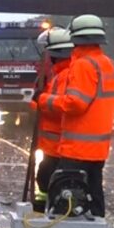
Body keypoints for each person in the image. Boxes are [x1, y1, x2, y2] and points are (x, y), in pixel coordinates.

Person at [36, 14, 114, 217]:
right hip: (97, 149)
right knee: (93, 197)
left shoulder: (83, 65)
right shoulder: (107, 63)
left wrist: (43, 99)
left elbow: (75, 104)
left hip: (77, 150)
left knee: (66, 202)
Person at [31, 28, 73, 213]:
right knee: (45, 175)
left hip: (60, 144)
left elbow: (61, 106)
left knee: (51, 177)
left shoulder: (65, 76)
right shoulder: (57, 75)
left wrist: (40, 99)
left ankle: (52, 211)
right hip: (53, 144)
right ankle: (43, 206)